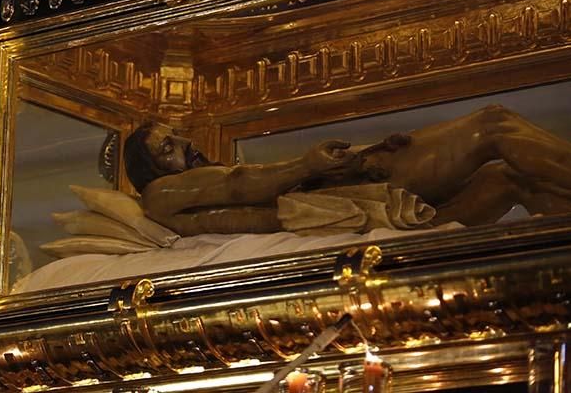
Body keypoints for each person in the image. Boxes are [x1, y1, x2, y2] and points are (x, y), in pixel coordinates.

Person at [123, 105, 571, 236]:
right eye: (169, 147)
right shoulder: (161, 195)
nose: (187, 146)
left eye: (179, 137)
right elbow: (240, 185)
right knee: (492, 126)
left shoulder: (186, 187)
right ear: (149, 169)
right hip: (344, 194)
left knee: (508, 180)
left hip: (343, 188)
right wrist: (306, 162)